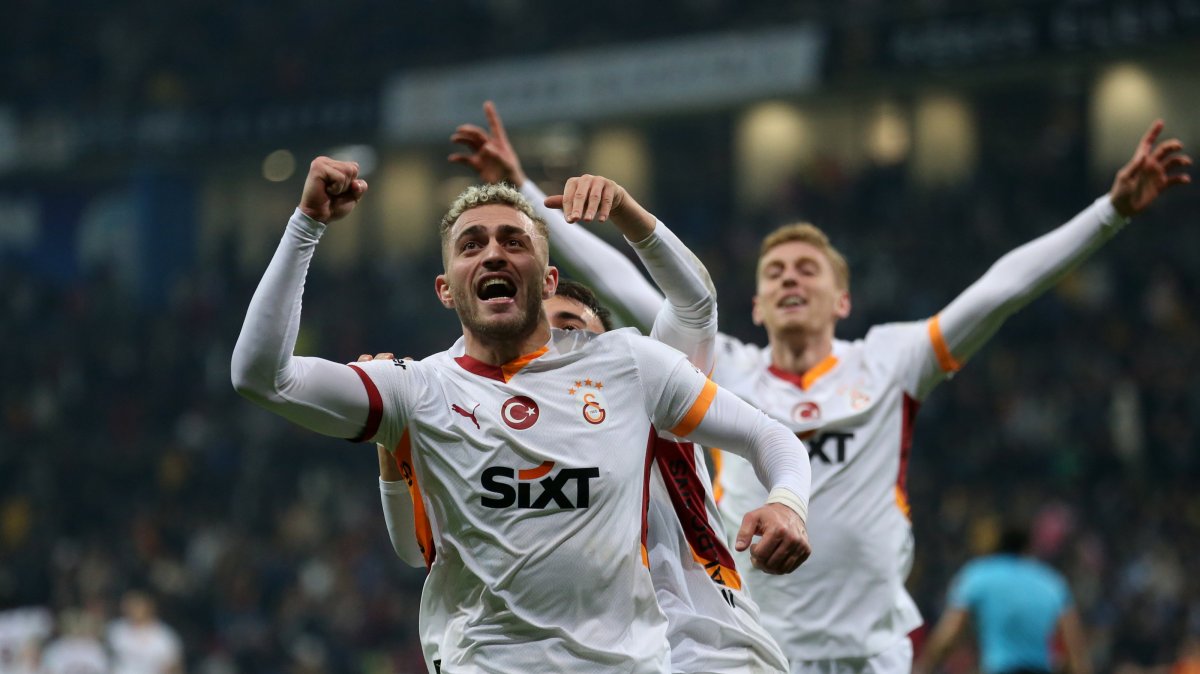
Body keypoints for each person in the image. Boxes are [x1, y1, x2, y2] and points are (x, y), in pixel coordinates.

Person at [447, 102, 1192, 673]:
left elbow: (1000, 291)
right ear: (757, 305)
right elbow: (622, 285)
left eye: (809, 269)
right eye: (775, 273)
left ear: (843, 299)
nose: (790, 277)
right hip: (751, 651)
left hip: (869, 651)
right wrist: (523, 199)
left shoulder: (892, 359)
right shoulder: (723, 366)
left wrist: (1110, 214)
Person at [230, 159, 814, 672]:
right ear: (444, 289)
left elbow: (769, 435)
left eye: (514, 241)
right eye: (472, 244)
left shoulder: (629, 365)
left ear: (549, 275)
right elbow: (261, 376)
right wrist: (306, 224)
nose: (492, 253)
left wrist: (787, 502)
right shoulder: (415, 389)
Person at [374, 274, 791, 673]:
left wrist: (789, 502)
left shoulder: (644, 389)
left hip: (715, 651)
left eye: (571, 329)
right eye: (541, 331)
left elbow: (695, 304)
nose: (553, 345)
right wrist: (391, 436)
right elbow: (416, 552)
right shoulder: (495, 440)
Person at [912, 525, 1090, 674]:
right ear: (1027, 548)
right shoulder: (1051, 582)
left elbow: (948, 635)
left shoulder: (978, 575)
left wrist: (923, 668)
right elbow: (1075, 649)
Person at [107, 591, 183, 674]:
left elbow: (174, 667)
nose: (134, 610)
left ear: (149, 608)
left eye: (137, 605)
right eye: (130, 606)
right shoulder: (115, 629)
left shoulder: (164, 636)